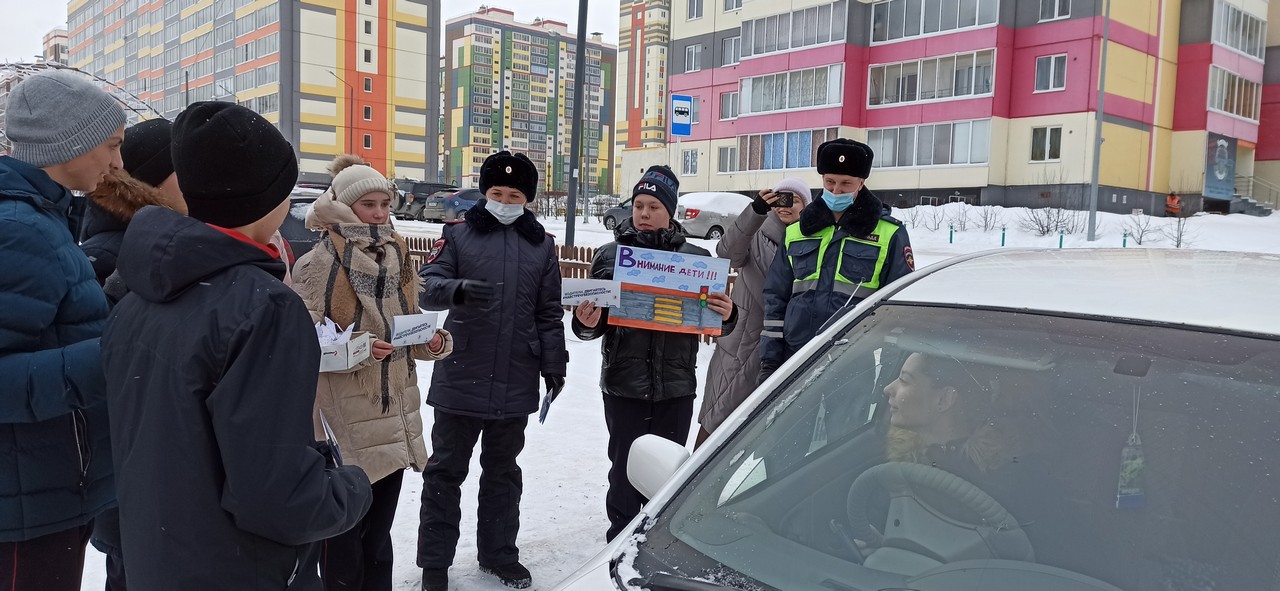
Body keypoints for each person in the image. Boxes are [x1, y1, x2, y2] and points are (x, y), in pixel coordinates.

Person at [101, 102, 373, 590]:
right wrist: (350, 488)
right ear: (272, 196)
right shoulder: (262, 308)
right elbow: (276, 495)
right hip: (238, 568)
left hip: (158, 556)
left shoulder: (137, 289)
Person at [293, 154, 453, 591]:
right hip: (345, 415)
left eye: (386, 203)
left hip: (395, 407)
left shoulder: (396, 252)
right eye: (369, 205)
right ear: (346, 206)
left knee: (379, 535)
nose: (381, 213)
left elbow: (405, 324)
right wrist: (362, 352)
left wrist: (431, 341)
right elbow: (304, 344)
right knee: (345, 536)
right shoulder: (318, 263)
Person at [416, 150, 568, 591]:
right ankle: (435, 565)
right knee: (445, 472)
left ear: (527, 199)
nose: (504, 199)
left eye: (514, 193)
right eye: (497, 192)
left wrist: (554, 365)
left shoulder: (541, 244)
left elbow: (549, 311)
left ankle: (499, 554)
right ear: (485, 193)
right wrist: (457, 290)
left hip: (515, 375)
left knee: (503, 472)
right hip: (461, 371)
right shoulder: (457, 236)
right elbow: (427, 287)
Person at [0, 68, 126, 591]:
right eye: (113, 145)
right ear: (68, 144)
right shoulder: (20, 229)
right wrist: (115, 356)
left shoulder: (43, 218)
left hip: (45, 488)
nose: (119, 163)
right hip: (25, 507)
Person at [572, 165, 739, 542]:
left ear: (670, 211)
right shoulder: (610, 256)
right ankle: (619, 537)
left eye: (654, 207)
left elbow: (715, 321)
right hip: (623, 383)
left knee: (665, 468)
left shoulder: (697, 259)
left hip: (676, 385)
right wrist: (587, 319)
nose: (644, 214)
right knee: (624, 465)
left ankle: (658, 536)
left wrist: (729, 314)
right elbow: (590, 326)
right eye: (639, 206)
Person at [77, 118, 188, 591]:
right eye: (185, 168)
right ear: (148, 181)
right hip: (136, 488)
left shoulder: (167, 243)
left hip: (158, 487)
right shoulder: (112, 259)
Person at [760, 139, 913, 383]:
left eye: (846, 184)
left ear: (861, 183)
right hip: (796, 356)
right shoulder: (797, 231)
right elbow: (775, 297)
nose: (836, 190)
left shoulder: (889, 233)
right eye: (829, 182)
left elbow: (899, 310)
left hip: (853, 362)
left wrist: (890, 372)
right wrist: (770, 361)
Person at [698, 178, 808, 446]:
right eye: (780, 198)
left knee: (769, 438)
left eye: (793, 199)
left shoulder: (810, 242)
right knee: (715, 425)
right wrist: (755, 210)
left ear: (806, 205)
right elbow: (726, 252)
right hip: (741, 347)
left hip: (784, 347)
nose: (785, 206)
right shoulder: (755, 232)